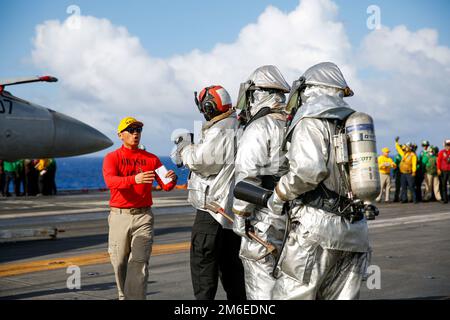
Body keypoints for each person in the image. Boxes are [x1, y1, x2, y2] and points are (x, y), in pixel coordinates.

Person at [266, 62, 371, 300]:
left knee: (290, 295)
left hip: (317, 230)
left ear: (310, 89)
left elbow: (308, 171)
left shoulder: (311, 118)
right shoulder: (352, 121)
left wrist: (279, 193)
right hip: (355, 232)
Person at [172, 85, 246, 300]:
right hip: (232, 210)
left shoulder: (221, 127)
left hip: (211, 209)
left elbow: (201, 161)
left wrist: (184, 147)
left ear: (208, 107)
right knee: (233, 271)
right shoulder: (238, 124)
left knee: (203, 267)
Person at [103, 116, 178, 300]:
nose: (136, 133)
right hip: (119, 216)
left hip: (143, 217)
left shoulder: (151, 159)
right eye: (131, 130)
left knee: (139, 262)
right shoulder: (112, 158)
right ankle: (124, 296)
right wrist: (133, 180)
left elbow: (166, 184)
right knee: (119, 262)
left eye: (138, 130)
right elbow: (110, 181)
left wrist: (172, 178)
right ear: (121, 135)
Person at [232, 65, 290, 300]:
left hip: (264, 219)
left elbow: (248, 177)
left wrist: (240, 216)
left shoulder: (259, 127)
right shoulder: (295, 123)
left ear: (257, 94)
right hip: (295, 218)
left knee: (261, 284)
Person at [395, 138, 417, 203]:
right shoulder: (404, 154)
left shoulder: (413, 155)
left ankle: (414, 199)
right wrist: (396, 143)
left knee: (411, 186)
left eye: (407, 147)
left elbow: (414, 164)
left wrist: (414, 171)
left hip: (409, 173)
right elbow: (399, 149)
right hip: (403, 173)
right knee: (403, 187)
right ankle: (404, 199)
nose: (405, 148)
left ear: (410, 148)